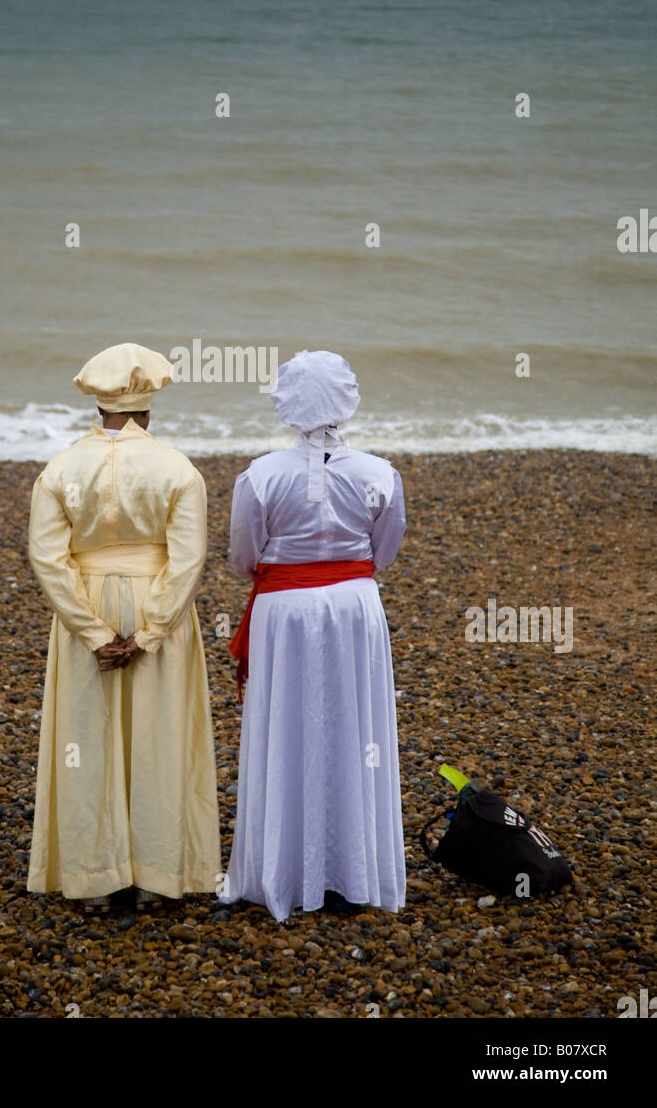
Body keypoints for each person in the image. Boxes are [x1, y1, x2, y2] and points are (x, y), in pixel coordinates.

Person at [26, 342, 221, 913]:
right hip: (157, 604)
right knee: (160, 738)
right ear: (149, 405)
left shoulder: (59, 468)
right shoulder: (179, 470)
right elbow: (187, 560)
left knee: (85, 741)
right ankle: (159, 875)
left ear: (100, 403)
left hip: (85, 602)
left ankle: (94, 879)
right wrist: (150, 632)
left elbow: (47, 559)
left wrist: (91, 631)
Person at [219, 349, 407, 922]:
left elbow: (241, 559)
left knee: (288, 724)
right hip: (354, 607)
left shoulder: (260, 476)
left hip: (285, 609)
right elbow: (385, 552)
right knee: (353, 725)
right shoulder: (380, 473)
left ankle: (286, 868)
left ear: (286, 404)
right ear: (346, 402)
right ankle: (351, 874)